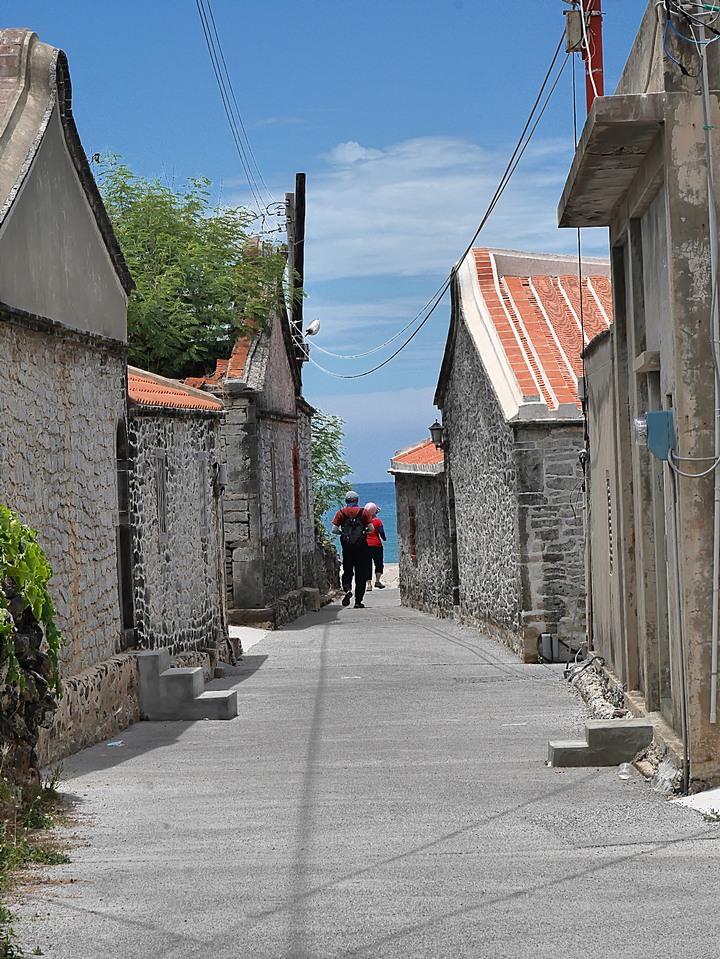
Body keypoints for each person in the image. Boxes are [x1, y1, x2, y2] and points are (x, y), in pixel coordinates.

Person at [331, 491, 373, 609]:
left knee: (348, 570)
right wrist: (363, 531)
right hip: (361, 547)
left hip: (347, 547)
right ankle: (358, 601)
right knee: (361, 574)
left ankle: (348, 588)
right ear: (357, 500)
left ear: (346, 501)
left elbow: (334, 530)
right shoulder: (363, 512)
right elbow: (371, 528)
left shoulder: (341, 513)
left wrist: (342, 533)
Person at [363, 502, 386, 591]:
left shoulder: (363, 522)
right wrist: (384, 538)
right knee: (378, 563)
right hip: (377, 545)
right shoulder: (378, 521)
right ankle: (377, 581)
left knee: (367, 565)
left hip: (366, 545)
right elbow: (381, 532)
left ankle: (369, 584)